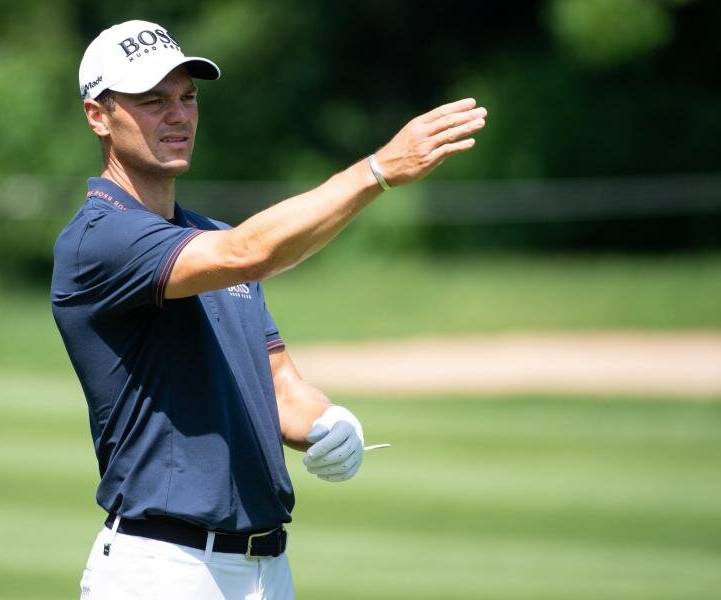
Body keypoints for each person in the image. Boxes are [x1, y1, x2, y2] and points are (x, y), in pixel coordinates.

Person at [51, 19, 487, 600]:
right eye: (153, 101)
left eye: (187, 97)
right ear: (98, 116)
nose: (178, 115)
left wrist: (329, 423)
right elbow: (250, 252)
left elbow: (279, 386)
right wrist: (376, 171)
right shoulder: (100, 237)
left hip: (266, 569)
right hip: (163, 569)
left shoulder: (210, 237)